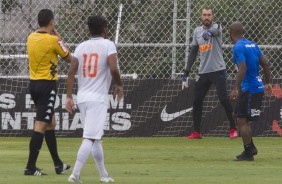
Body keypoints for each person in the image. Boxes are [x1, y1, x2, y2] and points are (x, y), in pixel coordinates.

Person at [65, 15, 123, 183]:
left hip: (82, 97)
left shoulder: (81, 46)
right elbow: (113, 69)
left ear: (89, 29)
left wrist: (69, 96)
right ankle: (75, 175)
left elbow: (71, 73)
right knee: (89, 137)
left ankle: (103, 175)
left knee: (95, 137)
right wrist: (119, 84)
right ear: (104, 28)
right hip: (97, 99)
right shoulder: (108, 45)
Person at [24, 9, 72, 176]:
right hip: (47, 87)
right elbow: (69, 57)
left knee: (51, 122)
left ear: (38, 22)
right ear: (52, 22)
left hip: (34, 85)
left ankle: (58, 164)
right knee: (41, 124)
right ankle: (30, 167)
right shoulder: (53, 40)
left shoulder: (30, 37)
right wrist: (59, 38)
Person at [182, 7, 238, 139]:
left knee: (224, 99)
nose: (207, 17)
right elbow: (193, 52)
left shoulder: (217, 27)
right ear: (201, 16)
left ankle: (233, 129)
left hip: (218, 70)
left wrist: (209, 34)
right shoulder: (197, 31)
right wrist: (186, 72)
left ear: (212, 16)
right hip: (203, 72)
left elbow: (215, 31)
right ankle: (197, 132)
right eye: (204, 15)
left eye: (209, 15)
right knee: (197, 100)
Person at [229, 22, 272, 161]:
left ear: (230, 33)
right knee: (236, 114)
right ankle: (250, 147)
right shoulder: (253, 44)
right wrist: (268, 83)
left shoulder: (238, 47)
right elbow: (265, 64)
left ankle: (249, 152)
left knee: (242, 119)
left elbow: (243, 68)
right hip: (257, 87)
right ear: (243, 31)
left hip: (249, 89)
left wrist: (236, 87)